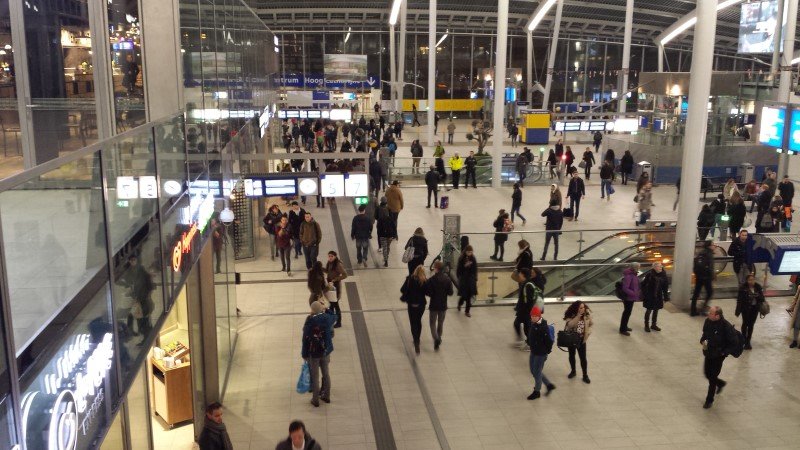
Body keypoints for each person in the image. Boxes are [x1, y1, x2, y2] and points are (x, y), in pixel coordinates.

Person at [700, 306, 738, 409]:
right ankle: (720, 383)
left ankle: (709, 400)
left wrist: (724, 352)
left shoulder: (726, 326)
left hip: (718, 356)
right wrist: (702, 340)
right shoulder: (707, 321)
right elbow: (705, 333)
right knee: (707, 374)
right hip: (708, 353)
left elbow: (734, 342)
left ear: (717, 316)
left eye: (711, 313)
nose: (708, 314)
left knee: (712, 378)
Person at [301, 301, 336, 407]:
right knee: (326, 374)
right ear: (321, 309)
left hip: (314, 353)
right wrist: (326, 309)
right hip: (325, 351)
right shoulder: (327, 318)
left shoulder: (310, 321)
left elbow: (305, 339)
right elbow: (335, 316)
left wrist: (304, 353)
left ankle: (315, 400)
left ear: (312, 310)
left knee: (315, 376)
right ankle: (327, 396)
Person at [526, 306, 555, 399]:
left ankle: (537, 391)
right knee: (533, 371)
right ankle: (549, 385)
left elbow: (549, 341)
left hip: (541, 353)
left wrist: (547, 351)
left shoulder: (543, 327)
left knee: (537, 372)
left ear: (539, 316)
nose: (533, 317)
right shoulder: (533, 323)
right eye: (532, 316)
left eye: (535, 316)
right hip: (533, 351)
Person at [426, 261, 454, 350]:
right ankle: (439, 337)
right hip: (443, 305)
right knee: (440, 322)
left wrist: (433, 294)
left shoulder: (431, 280)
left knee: (432, 323)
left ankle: (436, 339)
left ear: (436, 269)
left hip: (434, 305)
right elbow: (450, 293)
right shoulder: (447, 280)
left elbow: (428, 292)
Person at [401, 265, 429, 354]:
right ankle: (418, 339)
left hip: (411, 304)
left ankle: (415, 340)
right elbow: (428, 292)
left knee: (413, 323)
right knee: (418, 321)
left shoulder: (409, 279)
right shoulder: (424, 281)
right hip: (421, 305)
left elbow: (402, 289)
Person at [563, 301, 592, 383]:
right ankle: (573, 371)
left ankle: (585, 375)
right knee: (571, 355)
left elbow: (591, 324)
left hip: (582, 340)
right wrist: (578, 316)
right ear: (576, 308)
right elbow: (570, 325)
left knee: (583, 358)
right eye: (580, 308)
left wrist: (588, 332)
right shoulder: (571, 315)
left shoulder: (586, 315)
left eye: (583, 307)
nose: (583, 309)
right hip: (572, 339)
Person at [735, 274, 764, 350]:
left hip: (754, 309)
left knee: (751, 325)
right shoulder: (742, 288)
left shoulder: (758, 287)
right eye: (750, 280)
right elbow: (739, 300)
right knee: (745, 324)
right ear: (747, 281)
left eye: (753, 280)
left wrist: (757, 296)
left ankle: (748, 341)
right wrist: (738, 310)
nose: (751, 281)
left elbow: (762, 299)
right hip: (745, 309)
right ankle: (743, 339)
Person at [514, 268, 540, 349]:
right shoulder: (527, 283)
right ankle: (527, 342)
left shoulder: (527, 285)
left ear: (523, 275)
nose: (519, 275)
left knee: (521, 325)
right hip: (526, 310)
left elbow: (527, 300)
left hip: (525, 311)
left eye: (520, 274)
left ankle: (529, 343)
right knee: (525, 326)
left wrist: (524, 310)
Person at [641, 262, 669, 332]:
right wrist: (644, 293)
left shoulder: (663, 275)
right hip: (650, 295)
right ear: (654, 267)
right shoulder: (649, 275)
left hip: (658, 295)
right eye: (659, 266)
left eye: (661, 266)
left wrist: (666, 297)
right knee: (649, 310)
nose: (661, 268)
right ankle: (646, 325)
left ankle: (653, 325)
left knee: (656, 310)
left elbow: (665, 287)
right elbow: (643, 284)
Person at [691, 240, 716, 316]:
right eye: (713, 245)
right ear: (709, 246)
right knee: (710, 292)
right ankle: (703, 308)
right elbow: (710, 267)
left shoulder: (701, 253)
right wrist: (712, 276)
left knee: (696, 293)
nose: (714, 246)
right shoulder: (708, 254)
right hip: (706, 277)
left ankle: (693, 311)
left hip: (699, 276)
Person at [325, 251, 347, 328]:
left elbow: (345, 275)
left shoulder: (338, 264)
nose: (330, 258)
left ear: (335, 256)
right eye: (329, 256)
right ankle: (331, 320)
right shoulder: (329, 263)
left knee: (335, 305)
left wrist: (335, 279)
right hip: (330, 285)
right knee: (331, 305)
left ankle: (338, 322)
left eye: (331, 256)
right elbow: (327, 271)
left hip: (335, 287)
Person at [619, 262, 640, 335]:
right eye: (638, 267)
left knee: (628, 312)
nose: (639, 268)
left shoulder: (633, 275)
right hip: (628, 298)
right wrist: (634, 293)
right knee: (626, 313)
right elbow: (625, 288)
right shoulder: (629, 276)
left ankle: (625, 326)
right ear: (635, 268)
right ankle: (622, 329)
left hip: (631, 297)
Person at [456, 245, 478, 317]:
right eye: (468, 252)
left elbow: (475, 269)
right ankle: (460, 303)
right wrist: (465, 266)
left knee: (469, 295)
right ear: (465, 251)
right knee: (464, 295)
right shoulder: (461, 258)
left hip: (471, 280)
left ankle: (467, 311)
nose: (470, 253)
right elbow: (459, 269)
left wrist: (475, 277)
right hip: (464, 279)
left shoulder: (473, 258)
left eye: (471, 252)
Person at [376, 197, 398, 267]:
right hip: (389, 234)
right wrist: (395, 235)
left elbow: (375, 216)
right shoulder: (389, 210)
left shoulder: (378, 208)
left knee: (384, 247)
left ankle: (382, 251)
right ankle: (386, 258)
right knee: (387, 247)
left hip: (382, 233)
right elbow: (394, 225)